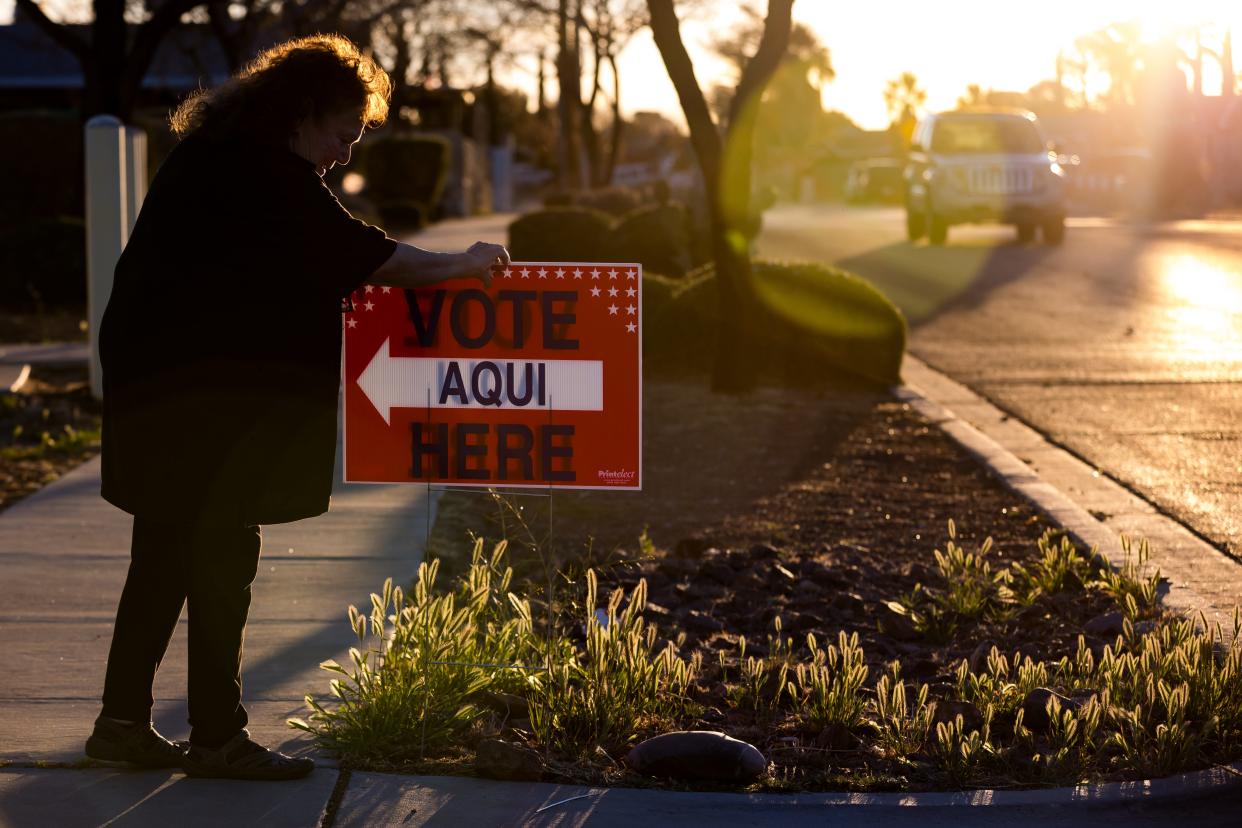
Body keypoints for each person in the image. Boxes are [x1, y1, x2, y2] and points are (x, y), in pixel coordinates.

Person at [83, 33, 509, 781]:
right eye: (343, 134)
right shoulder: (268, 174)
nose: (345, 154)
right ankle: (217, 738)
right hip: (208, 399)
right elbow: (376, 258)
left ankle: (121, 725)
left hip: (156, 385)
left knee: (162, 556)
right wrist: (466, 263)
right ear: (305, 110)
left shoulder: (211, 155)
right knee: (221, 556)